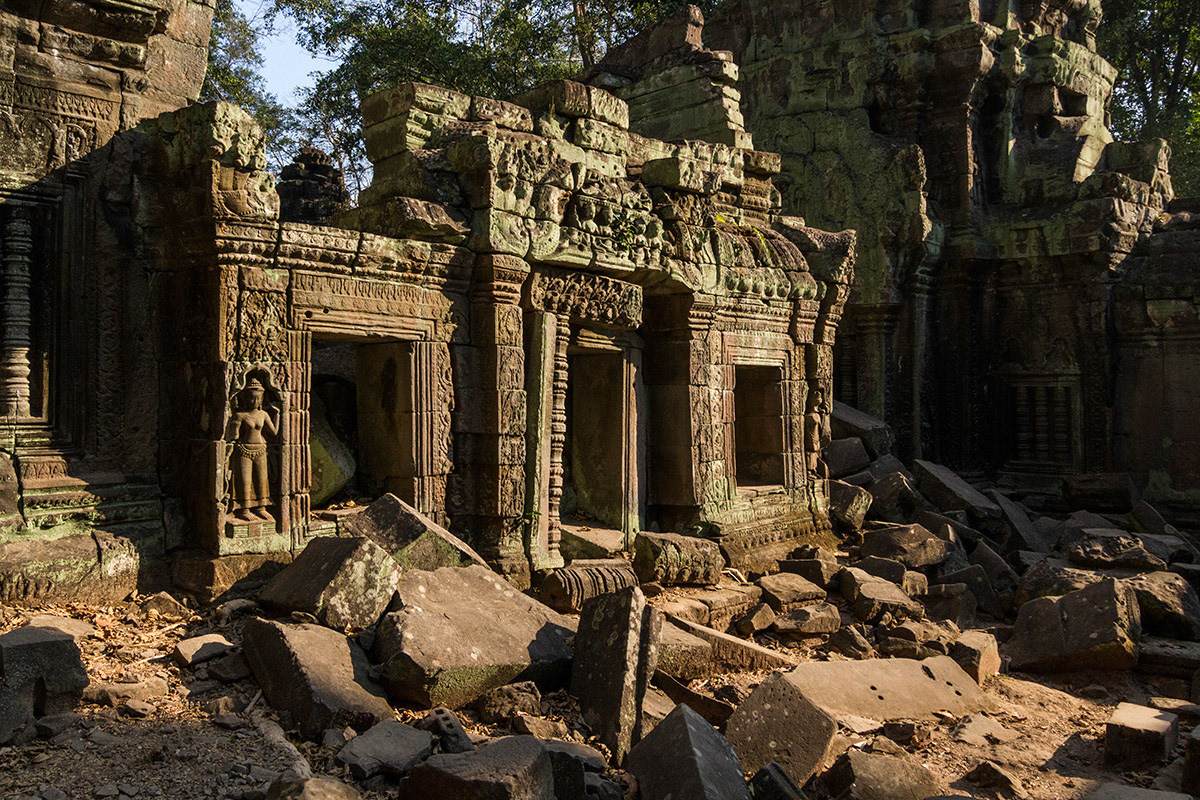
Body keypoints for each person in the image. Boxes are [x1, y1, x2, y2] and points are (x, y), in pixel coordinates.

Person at [227, 377, 279, 522]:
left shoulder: (264, 415)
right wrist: (234, 423)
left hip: (261, 448)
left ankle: (261, 507)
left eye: (258, 399)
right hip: (243, 449)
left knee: (262, 479)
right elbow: (235, 435)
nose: (254, 402)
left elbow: (274, 432)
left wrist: (278, 414)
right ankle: (245, 509)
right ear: (245, 398)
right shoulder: (240, 415)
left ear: (262, 399)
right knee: (245, 480)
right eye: (251, 398)